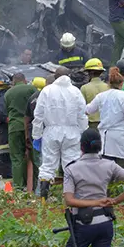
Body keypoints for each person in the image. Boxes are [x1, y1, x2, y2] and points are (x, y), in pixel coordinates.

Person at [33, 66, 89, 198]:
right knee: (72, 164)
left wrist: (36, 135)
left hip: (51, 132)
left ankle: (43, 199)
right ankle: (73, 198)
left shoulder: (47, 91)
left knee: (48, 165)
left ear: (55, 76)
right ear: (69, 76)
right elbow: (82, 114)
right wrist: (83, 131)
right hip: (72, 132)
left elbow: (38, 114)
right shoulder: (75, 91)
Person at [85, 67, 124, 171]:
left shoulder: (101, 96)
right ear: (121, 83)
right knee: (122, 170)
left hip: (106, 137)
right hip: (122, 137)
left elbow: (88, 110)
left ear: (109, 83)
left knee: (106, 169)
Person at [5, 73, 39, 191]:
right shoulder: (31, 89)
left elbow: (7, 111)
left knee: (16, 157)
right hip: (30, 127)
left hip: (14, 127)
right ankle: (36, 187)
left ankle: (18, 187)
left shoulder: (8, 93)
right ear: (24, 80)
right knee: (35, 158)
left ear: (13, 82)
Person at [24, 76, 50, 193]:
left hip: (35, 133)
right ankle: (46, 190)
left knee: (38, 162)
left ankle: (39, 191)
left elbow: (27, 118)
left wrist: (27, 135)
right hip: (49, 132)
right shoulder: (50, 95)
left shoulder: (32, 98)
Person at [0, 73, 13, 181]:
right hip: (14, 134)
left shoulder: (2, 96)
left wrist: (5, 119)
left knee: (4, 165)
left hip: (5, 135)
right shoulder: (11, 95)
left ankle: (8, 188)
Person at [81, 58, 109, 130]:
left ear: (90, 73)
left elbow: (82, 108)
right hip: (106, 123)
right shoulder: (108, 87)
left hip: (90, 124)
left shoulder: (84, 88)